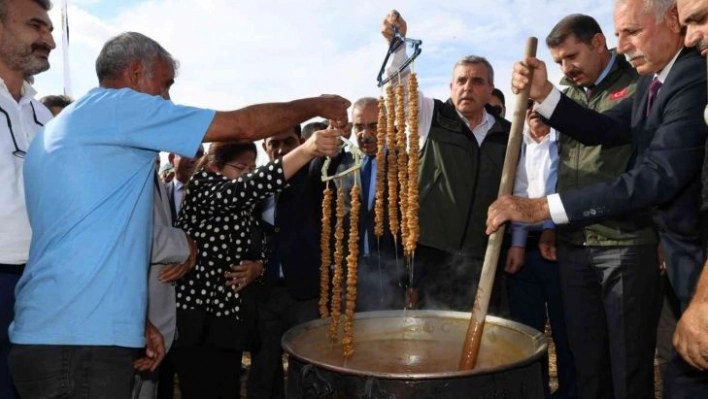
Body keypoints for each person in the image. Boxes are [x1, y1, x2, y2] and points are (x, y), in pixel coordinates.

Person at [7, 31, 349, 399]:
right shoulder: (120, 107)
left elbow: (90, 242)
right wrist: (316, 105)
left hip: (63, 334)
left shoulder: (69, 125)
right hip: (81, 347)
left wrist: (138, 322)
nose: (168, 99)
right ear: (136, 74)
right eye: (165, 85)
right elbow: (243, 124)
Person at [488, 1, 707, 397]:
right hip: (590, 248)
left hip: (649, 248)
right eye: (620, 33)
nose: (624, 45)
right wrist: (544, 92)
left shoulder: (684, 77)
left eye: (632, 32)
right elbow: (601, 128)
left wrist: (543, 208)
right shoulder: (653, 84)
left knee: (637, 368)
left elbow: (658, 176)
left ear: (670, 22)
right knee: (590, 360)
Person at [542, 14, 659, 399]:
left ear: (597, 43)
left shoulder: (639, 82)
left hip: (624, 243)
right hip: (574, 245)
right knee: (585, 358)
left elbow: (602, 130)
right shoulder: (567, 93)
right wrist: (549, 227)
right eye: (558, 62)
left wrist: (546, 98)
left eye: (571, 56)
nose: (566, 68)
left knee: (628, 363)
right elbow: (555, 163)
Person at [172, 131, 339, 398]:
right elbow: (247, 188)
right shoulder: (205, 186)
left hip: (228, 315)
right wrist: (307, 149)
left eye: (252, 167)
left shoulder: (240, 200)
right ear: (215, 165)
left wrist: (259, 265)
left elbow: (260, 237)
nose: (248, 174)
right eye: (241, 168)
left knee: (228, 387)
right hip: (198, 316)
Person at [382, 10, 511, 311]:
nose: (468, 87)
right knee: (431, 335)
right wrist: (397, 45)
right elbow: (399, 91)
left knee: (479, 332)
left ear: (490, 90)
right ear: (451, 87)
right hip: (431, 250)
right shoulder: (432, 116)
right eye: (461, 81)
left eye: (477, 81)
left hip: (484, 251)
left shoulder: (507, 134)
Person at [247, 125, 328, 399]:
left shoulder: (315, 175)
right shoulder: (256, 183)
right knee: (264, 367)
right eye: (274, 143)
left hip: (305, 292)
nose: (281, 149)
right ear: (264, 147)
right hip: (264, 292)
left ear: (302, 142)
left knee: (304, 366)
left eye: (288, 142)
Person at [0, 0, 54, 398]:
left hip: (39, 285)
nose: (49, 40)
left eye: (50, 29)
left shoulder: (45, 117)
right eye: (37, 27)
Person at [505, 103, 576, 399]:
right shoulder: (514, 145)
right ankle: (535, 391)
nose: (535, 110)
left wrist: (550, 227)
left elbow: (561, 187)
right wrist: (519, 244)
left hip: (562, 244)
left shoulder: (568, 141)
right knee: (526, 329)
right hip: (523, 248)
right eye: (528, 104)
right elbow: (517, 195)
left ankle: (572, 391)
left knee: (566, 327)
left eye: (540, 103)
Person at [331, 97, 404, 311]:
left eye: (374, 126)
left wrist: (413, 280)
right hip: (354, 274)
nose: (366, 134)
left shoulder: (406, 164)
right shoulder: (343, 165)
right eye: (359, 127)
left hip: (394, 272)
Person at [136, 165, 197, 399]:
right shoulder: (118, 162)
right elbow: (118, 232)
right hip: (129, 324)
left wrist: (183, 255)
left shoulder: (151, 169)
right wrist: (182, 245)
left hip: (155, 325)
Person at [166, 146, 204, 220]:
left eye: (199, 155)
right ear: (171, 159)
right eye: (187, 154)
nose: (193, 160)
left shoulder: (212, 192)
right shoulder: (159, 193)